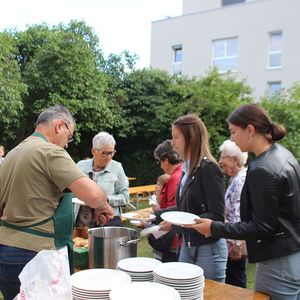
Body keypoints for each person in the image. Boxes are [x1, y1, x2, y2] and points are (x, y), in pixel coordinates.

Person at [183, 104, 300, 299]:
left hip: (277, 263)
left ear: (250, 130)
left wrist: (214, 228)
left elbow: (262, 227)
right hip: (291, 256)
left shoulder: (262, 169)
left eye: (234, 132)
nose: (232, 138)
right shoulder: (284, 154)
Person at [0, 105, 114, 300]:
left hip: (5, 252)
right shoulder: (50, 152)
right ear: (59, 126)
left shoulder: (12, 154)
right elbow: (95, 196)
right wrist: (104, 206)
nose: (67, 144)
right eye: (69, 136)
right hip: (35, 256)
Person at [158, 114, 228, 282]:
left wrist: (175, 226)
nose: (172, 142)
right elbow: (184, 209)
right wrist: (157, 214)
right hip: (188, 245)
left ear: (191, 137)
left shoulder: (209, 169)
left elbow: (217, 216)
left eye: (176, 137)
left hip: (208, 248)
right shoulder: (187, 168)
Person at [74, 131, 129, 227]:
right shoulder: (80, 166)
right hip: (82, 222)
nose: (108, 158)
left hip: (107, 221)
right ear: (93, 151)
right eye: (104, 153)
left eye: (111, 153)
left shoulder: (117, 167)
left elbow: (125, 197)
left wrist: (105, 199)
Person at [219, 140, 248, 288]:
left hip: (234, 243)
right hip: (231, 240)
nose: (220, 161)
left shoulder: (241, 180)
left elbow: (239, 213)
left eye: (223, 157)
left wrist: (237, 244)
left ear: (234, 159)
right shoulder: (235, 179)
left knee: (235, 282)